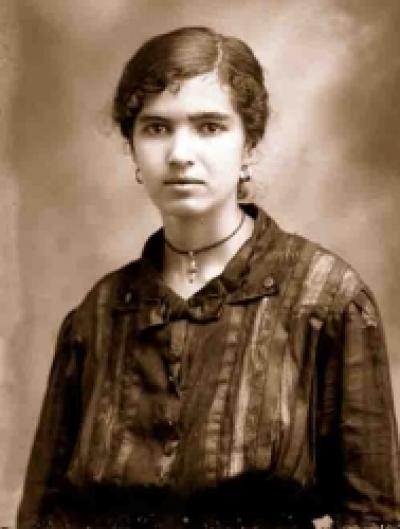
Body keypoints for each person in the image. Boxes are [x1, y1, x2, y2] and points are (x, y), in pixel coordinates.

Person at [17, 26, 400, 529]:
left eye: (210, 127)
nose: (180, 153)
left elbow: (373, 515)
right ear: (132, 147)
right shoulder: (99, 314)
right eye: (157, 127)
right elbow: (46, 513)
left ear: (249, 144)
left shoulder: (326, 300)